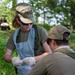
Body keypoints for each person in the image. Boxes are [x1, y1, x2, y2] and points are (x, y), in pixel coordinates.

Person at [4, 3, 52, 75]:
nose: (29, 26)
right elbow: (6, 55)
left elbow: (49, 53)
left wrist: (34, 59)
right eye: (25, 23)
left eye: (31, 23)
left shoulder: (40, 31)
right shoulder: (15, 35)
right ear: (18, 20)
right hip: (23, 71)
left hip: (41, 70)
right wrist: (13, 59)